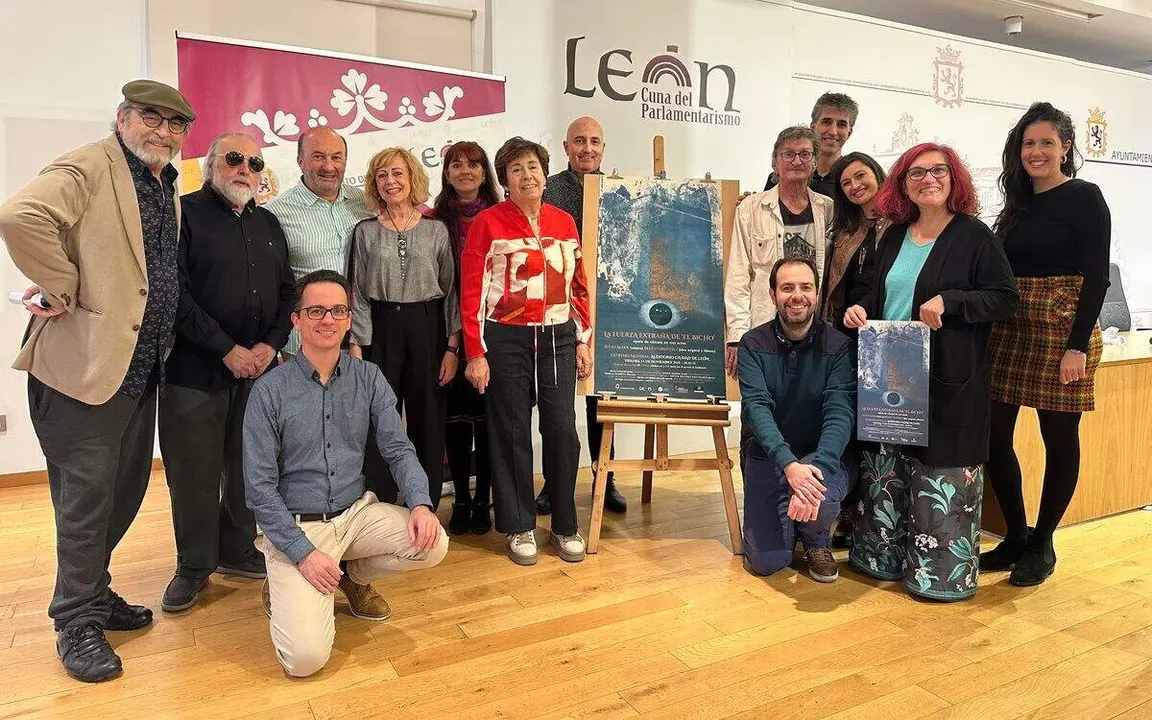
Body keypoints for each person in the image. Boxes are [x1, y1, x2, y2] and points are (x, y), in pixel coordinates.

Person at [0, 80, 195, 682]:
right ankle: (75, 622)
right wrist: (62, 284)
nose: (163, 132)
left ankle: (94, 592)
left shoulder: (163, 182)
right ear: (123, 117)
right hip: (84, 371)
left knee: (124, 492)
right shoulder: (91, 163)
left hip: (140, 370)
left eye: (175, 124)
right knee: (85, 505)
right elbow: (19, 216)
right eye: (151, 118)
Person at [243, 270, 449, 678]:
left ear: (349, 319)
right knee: (304, 661)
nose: (328, 319)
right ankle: (284, 574)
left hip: (354, 515)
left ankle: (349, 575)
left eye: (338, 310)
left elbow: (398, 449)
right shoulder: (269, 391)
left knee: (432, 543)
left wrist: (421, 504)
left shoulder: (368, 377)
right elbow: (259, 488)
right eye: (316, 311)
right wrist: (302, 554)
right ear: (296, 320)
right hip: (298, 527)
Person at [843, 143, 1018, 601]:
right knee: (887, 470)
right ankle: (881, 560)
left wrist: (952, 301)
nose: (928, 179)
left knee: (939, 473)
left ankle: (938, 577)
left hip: (947, 379)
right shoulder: (895, 235)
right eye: (916, 173)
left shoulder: (974, 236)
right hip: (890, 376)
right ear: (903, 184)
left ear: (953, 178)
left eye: (938, 170)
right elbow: (878, 292)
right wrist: (860, 308)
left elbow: (1004, 297)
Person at [158, 132, 295, 613]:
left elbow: (286, 292)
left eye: (254, 163)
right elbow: (173, 291)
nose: (245, 169)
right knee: (194, 473)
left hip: (257, 371)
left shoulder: (269, 222)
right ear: (210, 165)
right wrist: (226, 349)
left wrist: (268, 345)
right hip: (194, 370)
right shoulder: (183, 215)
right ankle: (194, 565)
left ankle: (237, 548)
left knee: (247, 469)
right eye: (234, 159)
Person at [981, 102, 1112, 586]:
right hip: (1011, 328)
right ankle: (1016, 534)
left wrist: (1077, 347)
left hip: (1062, 329)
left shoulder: (1083, 196)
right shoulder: (1017, 204)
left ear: (1066, 147)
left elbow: (1096, 277)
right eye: (1028, 143)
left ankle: (1043, 543)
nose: (1036, 152)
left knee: (1058, 440)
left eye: (1046, 143)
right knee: (993, 436)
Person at [460, 136, 593, 566]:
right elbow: (472, 292)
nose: (526, 176)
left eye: (533, 166)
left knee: (562, 430)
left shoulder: (564, 222)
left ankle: (565, 524)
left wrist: (584, 338)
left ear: (545, 173)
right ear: (505, 180)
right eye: (516, 169)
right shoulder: (487, 223)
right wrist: (475, 353)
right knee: (512, 430)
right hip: (506, 338)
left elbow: (578, 285)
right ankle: (519, 525)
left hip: (557, 336)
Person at [348, 147, 461, 510]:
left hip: (428, 328)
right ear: (374, 184)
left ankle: (424, 503)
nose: (390, 181)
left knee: (428, 418)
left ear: (412, 177)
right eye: (382, 175)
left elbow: (451, 292)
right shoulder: (364, 232)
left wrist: (452, 348)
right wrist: (356, 348)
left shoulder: (436, 230)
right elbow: (357, 293)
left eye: (397, 173)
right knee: (379, 418)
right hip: (381, 329)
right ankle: (380, 503)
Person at [738, 258, 856, 582]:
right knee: (767, 561)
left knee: (820, 494)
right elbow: (757, 409)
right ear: (773, 294)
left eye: (806, 287)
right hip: (770, 456)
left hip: (823, 456)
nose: (797, 296)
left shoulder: (839, 346)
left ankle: (816, 540)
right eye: (787, 288)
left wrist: (816, 471)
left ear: (816, 294)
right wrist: (789, 465)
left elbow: (840, 412)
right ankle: (791, 526)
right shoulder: (752, 344)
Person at [539, 116, 627, 516]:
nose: (587, 148)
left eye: (594, 141)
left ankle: (605, 478)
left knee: (601, 400)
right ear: (565, 147)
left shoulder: (619, 190)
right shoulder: (548, 189)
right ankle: (554, 482)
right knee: (557, 404)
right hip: (558, 307)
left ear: (603, 148)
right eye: (579, 141)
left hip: (607, 308)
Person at [821, 152, 889, 549]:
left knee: (877, 428)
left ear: (878, 175)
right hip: (845, 336)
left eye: (860, 176)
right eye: (846, 183)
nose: (854, 186)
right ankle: (846, 509)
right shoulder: (846, 228)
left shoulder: (904, 224)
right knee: (847, 424)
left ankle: (871, 514)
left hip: (885, 338)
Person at [433, 141, 502, 535]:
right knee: (456, 422)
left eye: (473, 165)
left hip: (494, 332)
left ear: (484, 172)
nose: (465, 171)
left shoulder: (500, 215)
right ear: (446, 173)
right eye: (456, 165)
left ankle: (484, 499)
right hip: (448, 332)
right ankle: (460, 497)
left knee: (490, 421)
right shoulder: (434, 220)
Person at [726, 125, 834, 377]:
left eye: (805, 154)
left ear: (814, 162)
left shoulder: (827, 209)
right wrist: (737, 337)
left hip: (811, 327)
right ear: (775, 162)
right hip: (764, 327)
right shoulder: (750, 209)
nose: (797, 161)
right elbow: (738, 275)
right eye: (788, 154)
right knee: (761, 395)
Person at [264, 127, 373, 358]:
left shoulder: (366, 203)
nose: (329, 166)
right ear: (300, 161)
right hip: (305, 346)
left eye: (336, 157)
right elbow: (270, 287)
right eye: (318, 156)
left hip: (362, 339)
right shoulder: (275, 214)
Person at [764, 92, 858, 198]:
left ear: (849, 132)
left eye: (842, 125)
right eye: (826, 122)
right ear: (813, 127)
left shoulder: (853, 182)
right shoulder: (781, 177)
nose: (833, 132)